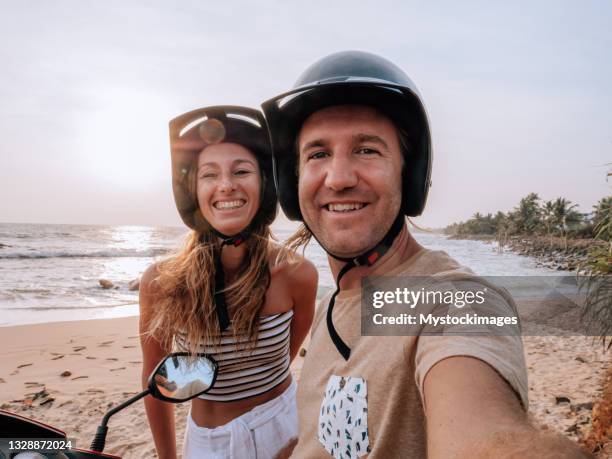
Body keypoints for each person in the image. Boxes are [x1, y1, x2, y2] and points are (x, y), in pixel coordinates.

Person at [262, 51, 592, 458]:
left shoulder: (458, 300)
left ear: (410, 173)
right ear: (292, 180)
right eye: (318, 154)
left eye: (367, 150)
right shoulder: (330, 304)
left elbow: (486, 439)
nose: (340, 177)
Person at [139, 106, 317, 459]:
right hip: (208, 441)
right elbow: (154, 381)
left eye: (242, 171)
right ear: (192, 189)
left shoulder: (297, 274)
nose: (226, 185)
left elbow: (285, 358)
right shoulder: (162, 282)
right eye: (209, 174)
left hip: (282, 427)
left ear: (264, 184)